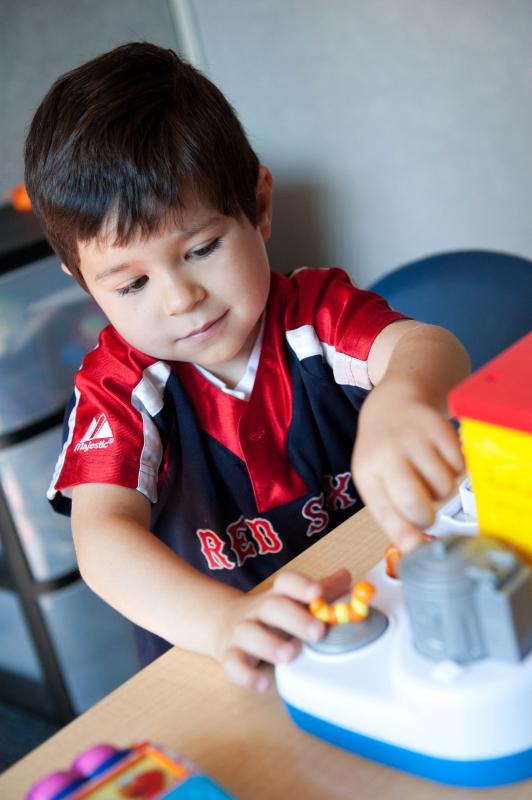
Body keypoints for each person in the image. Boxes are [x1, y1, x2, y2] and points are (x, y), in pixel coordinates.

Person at [24, 42, 470, 692]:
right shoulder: (120, 388)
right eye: (130, 285)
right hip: (226, 662)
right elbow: (102, 543)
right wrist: (223, 623)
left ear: (258, 205)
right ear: (83, 281)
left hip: (377, 614)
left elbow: (429, 347)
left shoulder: (315, 316)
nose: (180, 299)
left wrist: (403, 395)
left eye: (201, 248)